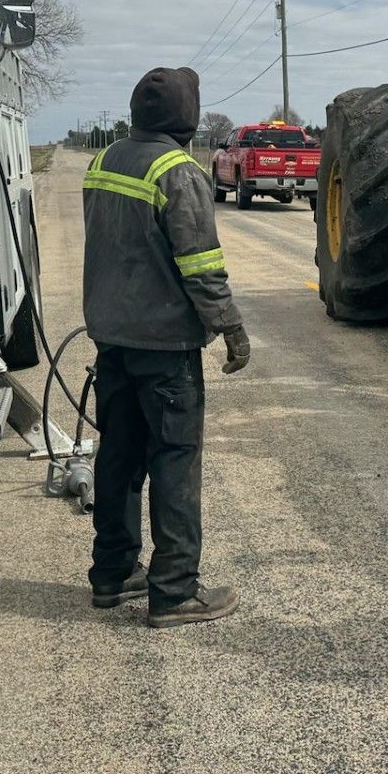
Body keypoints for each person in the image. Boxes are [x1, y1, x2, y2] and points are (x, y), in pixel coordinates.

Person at [82, 66, 251, 628]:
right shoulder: (178, 172)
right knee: (175, 461)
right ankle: (175, 590)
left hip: (112, 340)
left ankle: (111, 573)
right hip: (164, 348)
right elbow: (201, 265)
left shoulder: (104, 160)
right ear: (188, 117)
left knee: (119, 456)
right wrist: (229, 326)